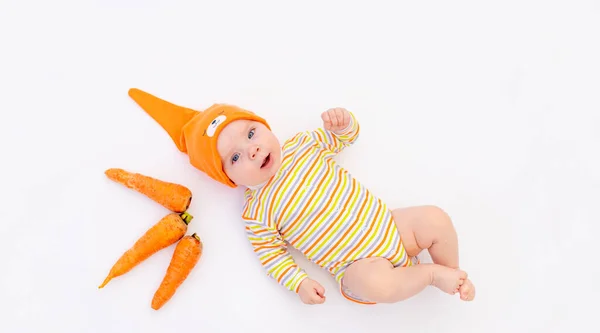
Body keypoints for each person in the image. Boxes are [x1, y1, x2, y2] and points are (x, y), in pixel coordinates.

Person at [128, 88, 476, 305]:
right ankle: (430, 276)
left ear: (264, 126)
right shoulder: (256, 210)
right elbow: (272, 256)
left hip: (390, 226)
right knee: (377, 285)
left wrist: (343, 125)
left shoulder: (302, 145)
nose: (251, 151)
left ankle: (453, 276)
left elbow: (343, 140)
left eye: (251, 133)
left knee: (435, 218)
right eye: (234, 158)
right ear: (227, 178)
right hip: (355, 267)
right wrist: (299, 283)